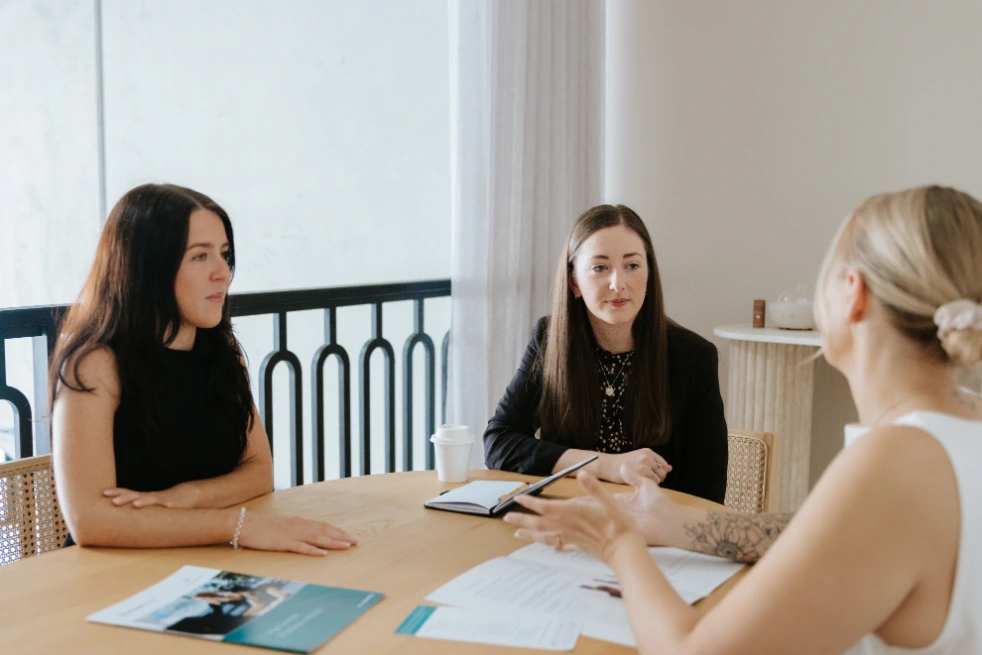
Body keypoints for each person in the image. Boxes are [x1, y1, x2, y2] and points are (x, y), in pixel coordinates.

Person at [505, 185, 982, 654]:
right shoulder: (960, 426)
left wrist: (619, 544)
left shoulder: (891, 464)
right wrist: (677, 524)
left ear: (852, 295)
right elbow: (815, 533)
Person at [52, 183, 356, 556]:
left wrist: (188, 497)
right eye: (199, 257)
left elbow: (259, 474)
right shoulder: (95, 364)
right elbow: (91, 521)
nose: (223, 274)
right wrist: (238, 526)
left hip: (198, 557)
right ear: (148, 267)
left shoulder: (223, 352)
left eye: (224, 254)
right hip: (109, 572)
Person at [484, 204, 728, 502]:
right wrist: (606, 464)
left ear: (649, 274)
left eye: (632, 265)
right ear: (574, 281)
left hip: (656, 535)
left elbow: (707, 496)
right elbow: (499, 443)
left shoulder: (694, 357)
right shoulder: (550, 340)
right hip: (568, 523)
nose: (618, 284)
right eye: (600, 267)